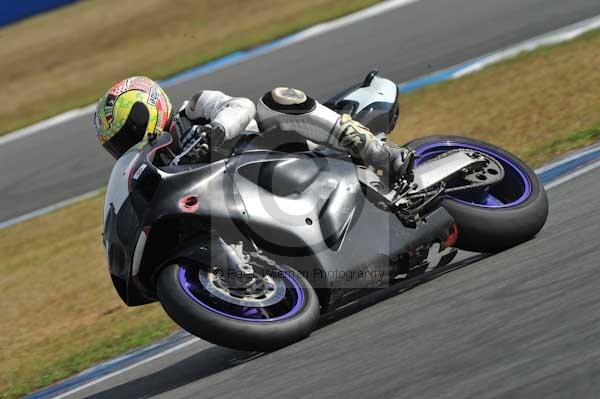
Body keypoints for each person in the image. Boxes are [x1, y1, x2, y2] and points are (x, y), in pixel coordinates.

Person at [94, 76, 412, 181]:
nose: (127, 146)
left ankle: (381, 154)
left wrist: (215, 131)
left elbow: (241, 106)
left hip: (288, 149)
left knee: (272, 100)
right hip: (256, 193)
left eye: (127, 132)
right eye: (117, 145)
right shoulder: (160, 169)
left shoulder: (192, 109)